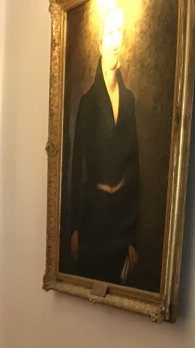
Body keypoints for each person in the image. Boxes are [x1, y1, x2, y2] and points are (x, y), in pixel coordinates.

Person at [66, 6, 140, 284]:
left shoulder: (129, 100)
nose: (116, 40)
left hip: (121, 217)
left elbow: (135, 168)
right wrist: (74, 228)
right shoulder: (88, 101)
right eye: (110, 32)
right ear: (100, 43)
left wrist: (133, 238)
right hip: (93, 215)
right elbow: (77, 170)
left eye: (120, 32)